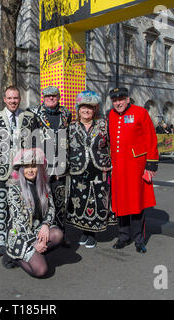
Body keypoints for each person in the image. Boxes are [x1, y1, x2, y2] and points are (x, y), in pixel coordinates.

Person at [0, 86, 38, 258]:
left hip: (23, 172)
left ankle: (20, 237)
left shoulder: (29, 117)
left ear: (20, 99)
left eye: (15, 98)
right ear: (4, 99)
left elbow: (37, 142)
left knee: (23, 207)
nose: (13, 101)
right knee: (2, 206)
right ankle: (1, 240)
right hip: (2, 172)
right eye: (9, 98)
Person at [108, 87, 159, 253]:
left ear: (128, 99)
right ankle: (123, 236)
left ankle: (138, 239)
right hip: (118, 168)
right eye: (115, 100)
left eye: (121, 99)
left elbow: (150, 138)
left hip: (135, 168)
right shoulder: (111, 115)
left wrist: (151, 164)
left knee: (137, 204)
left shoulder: (141, 112)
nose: (118, 103)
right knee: (120, 203)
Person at [67, 90, 117, 248]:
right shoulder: (71, 126)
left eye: (90, 107)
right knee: (80, 201)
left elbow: (112, 144)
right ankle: (83, 231)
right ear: (78, 108)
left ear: (95, 109)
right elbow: (66, 147)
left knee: (96, 201)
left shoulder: (103, 124)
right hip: (78, 169)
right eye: (83, 107)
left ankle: (92, 234)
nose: (86, 110)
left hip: (100, 169)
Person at [5, 148, 63, 278]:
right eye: (26, 167)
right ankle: (15, 257)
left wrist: (46, 225)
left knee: (57, 234)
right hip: (20, 235)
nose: (30, 170)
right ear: (20, 169)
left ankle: (36, 253)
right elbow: (18, 221)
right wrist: (35, 243)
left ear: (39, 168)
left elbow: (51, 209)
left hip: (37, 229)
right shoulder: (14, 189)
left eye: (33, 166)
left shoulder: (44, 186)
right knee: (41, 270)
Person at [28, 85, 72, 246]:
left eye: (54, 96)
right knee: (42, 202)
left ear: (58, 97)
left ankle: (61, 233)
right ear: (43, 98)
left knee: (60, 202)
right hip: (42, 167)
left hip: (60, 167)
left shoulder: (66, 113)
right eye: (47, 96)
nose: (51, 98)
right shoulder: (33, 112)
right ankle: (40, 235)